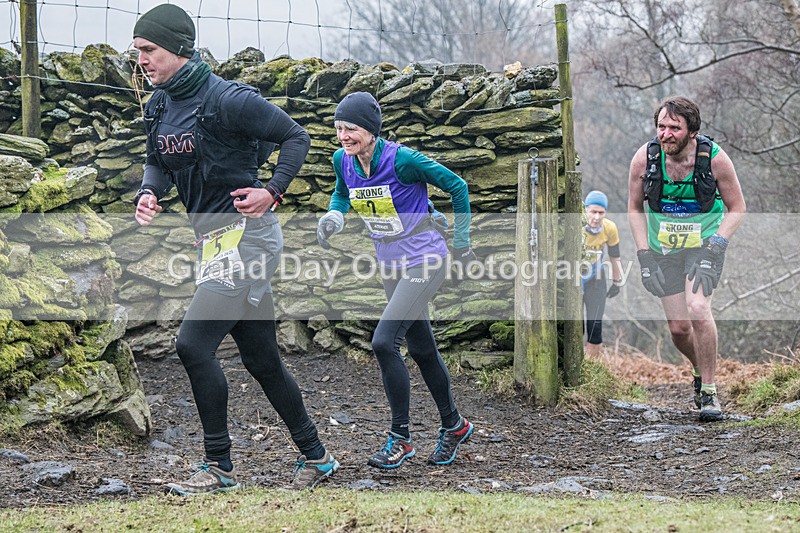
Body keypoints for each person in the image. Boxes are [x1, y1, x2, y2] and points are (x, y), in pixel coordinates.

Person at [132, 4, 338, 493]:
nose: (141, 60)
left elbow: (296, 136)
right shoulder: (159, 105)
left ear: (180, 49)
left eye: (149, 50)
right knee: (262, 358)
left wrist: (273, 190)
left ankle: (219, 466)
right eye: (137, 51)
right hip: (213, 242)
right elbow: (156, 160)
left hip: (251, 239)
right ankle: (318, 456)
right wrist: (148, 191)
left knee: (192, 345)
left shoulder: (229, 99)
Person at [316, 92, 475, 469]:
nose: (343, 136)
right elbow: (342, 194)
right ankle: (454, 425)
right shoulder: (344, 161)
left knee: (385, 341)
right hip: (390, 263)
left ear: (371, 131)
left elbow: (458, 187)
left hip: (425, 257)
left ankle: (400, 438)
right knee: (421, 348)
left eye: (351, 129)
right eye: (338, 128)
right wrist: (334, 218)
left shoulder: (403, 160)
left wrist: (463, 240)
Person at [628, 96, 745, 422]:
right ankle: (697, 369)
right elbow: (634, 208)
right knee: (679, 329)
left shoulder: (715, 160)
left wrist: (717, 245)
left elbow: (738, 208)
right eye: (661, 127)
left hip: (705, 245)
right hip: (663, 249)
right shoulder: (645, 159)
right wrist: (644, 256)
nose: (666, 134)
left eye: (674, 128)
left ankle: (709, 391)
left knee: (698, 309)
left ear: (691, 131)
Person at [581, 190, 623, 359]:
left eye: (601, 213)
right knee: (575, 325)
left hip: (596, 277)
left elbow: (615, 255)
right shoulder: (576, 224)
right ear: (586, 210)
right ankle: (575, 364)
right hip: (573, 277)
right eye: (593, 212)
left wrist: (617, 281)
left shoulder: (609, 228)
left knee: (595, 324)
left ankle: (593, 367)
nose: (597, 217)